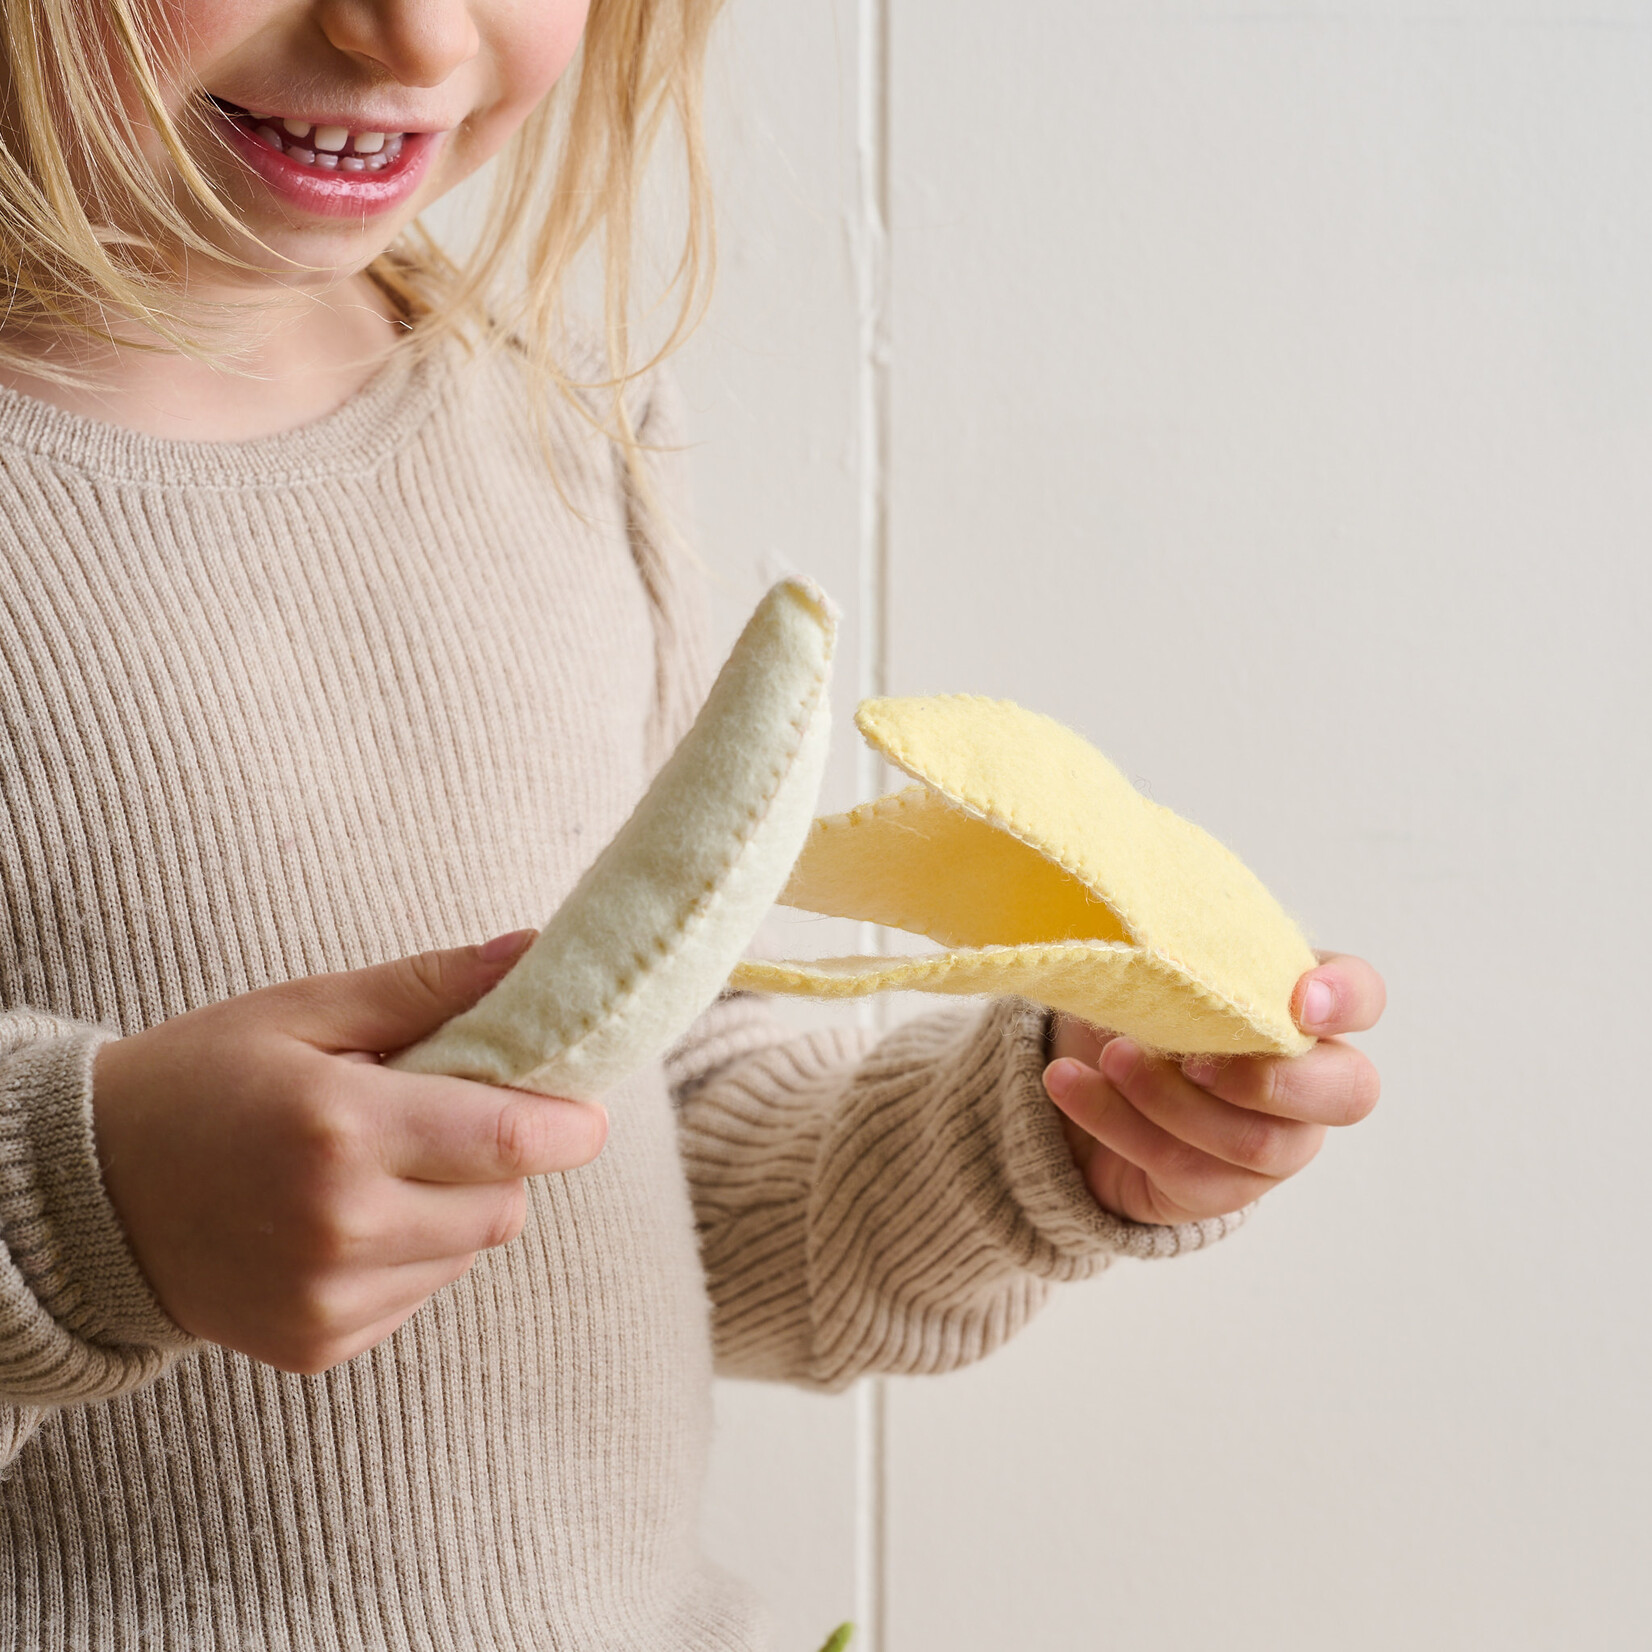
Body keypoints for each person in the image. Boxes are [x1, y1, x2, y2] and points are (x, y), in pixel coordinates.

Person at [0, 1, 1385, 1647]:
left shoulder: (548, 437)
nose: (409, 31)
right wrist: (85, 1212)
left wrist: (1044, 1135)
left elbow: (639, 1131)